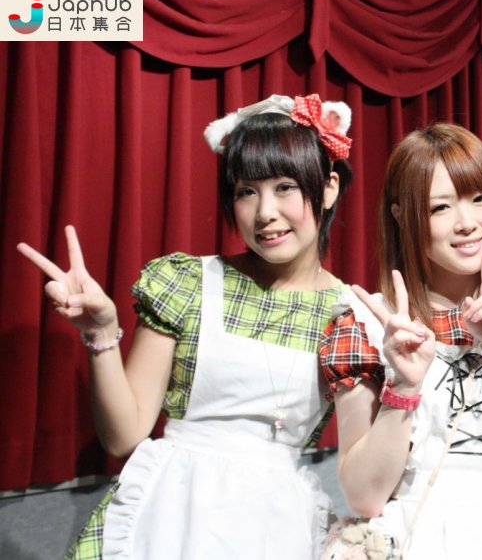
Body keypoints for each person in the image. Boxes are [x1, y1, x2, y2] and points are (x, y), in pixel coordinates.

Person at [17, 93, 354, 560]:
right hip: (169, 514)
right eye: (246, 191)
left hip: (275, 527)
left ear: (329, 187)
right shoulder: (189, 283)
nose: (264, 213)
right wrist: (101, 334)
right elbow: (123, 435)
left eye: (284, 187)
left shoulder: (353, 314)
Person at [319, 123, 482, 559]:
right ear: (402, 215)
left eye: (480, 199)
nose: (467, 223)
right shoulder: (367, 324)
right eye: (440, 207)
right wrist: (404, 387)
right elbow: (364, 497)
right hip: (414, 541)